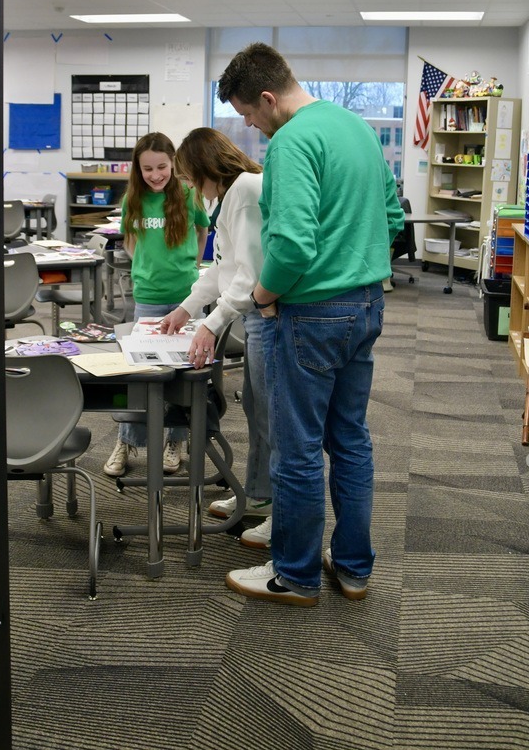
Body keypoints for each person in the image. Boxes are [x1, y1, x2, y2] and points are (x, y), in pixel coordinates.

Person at [217, 42, 404, 607]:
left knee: (296, 450)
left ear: (268, 97)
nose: (251, 127)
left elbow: (293, 246)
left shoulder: (293, 141)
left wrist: (262, 296)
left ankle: (294, 574)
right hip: (366, 306)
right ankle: (352, 569)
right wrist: (354, 262)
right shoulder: (357, 128)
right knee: (349, 441)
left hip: (309, 315)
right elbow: (393, 217)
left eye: (249, 114)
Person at [160, 128, 273, 546]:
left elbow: (252, 273)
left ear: (207, 167)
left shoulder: (244, 190)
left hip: (266, 315)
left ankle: (282, 511)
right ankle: (260, 496)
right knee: (257, 411)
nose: (190, 187)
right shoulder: (232, 195)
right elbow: (222, 269)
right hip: (254, 315)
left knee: (272, 419)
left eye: (190, 177)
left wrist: (212, 322)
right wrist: (187, 309)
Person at [103, 132, 209, 478]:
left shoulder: (190, 193)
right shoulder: (132, 199)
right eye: (147, 169)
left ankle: (175, 440)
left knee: (183, 372)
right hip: (148, 296)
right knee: (141, 373)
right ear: (138, 169)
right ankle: (127, 439)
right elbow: (130, 240)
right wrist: (145, 267)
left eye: (162, 166)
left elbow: (202, 230)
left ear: (173, 163)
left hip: (186, 296)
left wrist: (192, 266)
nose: (156, 174)